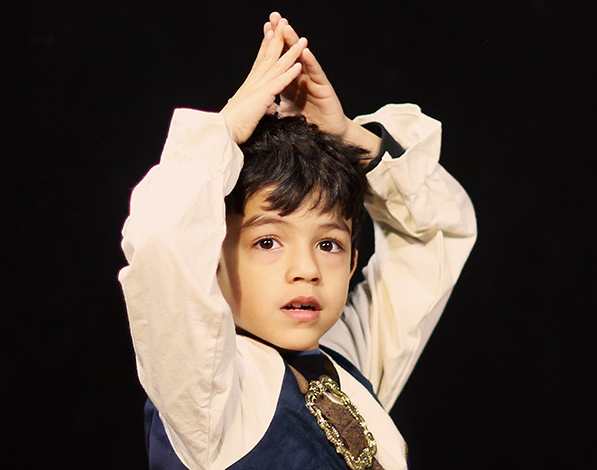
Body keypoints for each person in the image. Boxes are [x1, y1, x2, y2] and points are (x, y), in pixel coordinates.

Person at [117, 12, 477, 470]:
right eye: (268, 242)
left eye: (328, 245)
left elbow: (438, 232)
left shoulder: (346, 362)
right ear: (211, 258)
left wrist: (348, 137)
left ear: (352, 264)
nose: (305, 269)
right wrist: (224, 130)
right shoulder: (209, 392)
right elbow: (159, 243)